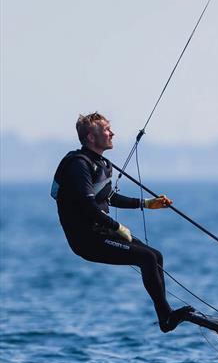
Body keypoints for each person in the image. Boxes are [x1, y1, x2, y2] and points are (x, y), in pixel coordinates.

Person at [52, 112, 193, 333]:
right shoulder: (78, 165)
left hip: (102, 233)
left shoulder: (101, 163)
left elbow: (108, 198)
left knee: (155, 256)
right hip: (87, 240)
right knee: (146, 257)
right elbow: (87, 206)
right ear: (91, 137)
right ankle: (166, 318)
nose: (112, 133)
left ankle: (166, 315)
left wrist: (146, 203)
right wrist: (116, 227)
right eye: (106, 129)